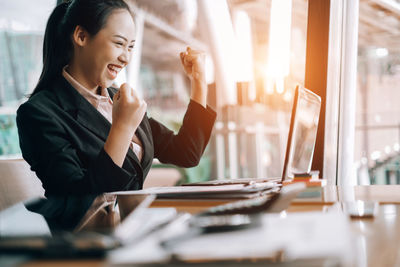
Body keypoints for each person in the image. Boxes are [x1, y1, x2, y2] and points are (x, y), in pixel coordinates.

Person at [16, 0, 216, 230]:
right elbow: (79, 197)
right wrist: (121, 128)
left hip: (133, 232)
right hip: (83, 247)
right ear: (81, 36)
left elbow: (186, 153)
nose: (126, 58)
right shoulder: (38, 113)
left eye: (131, 47)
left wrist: (199, 83)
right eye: (119, 43)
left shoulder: (119, 99)